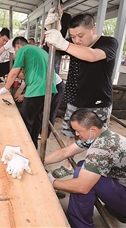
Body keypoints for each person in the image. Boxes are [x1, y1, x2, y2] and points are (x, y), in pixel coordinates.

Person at [45, 109, 126, 227]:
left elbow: (82, 187)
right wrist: (42, 161)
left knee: (81, 175)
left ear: (93, 130)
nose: (76, 134)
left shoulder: (103, 147)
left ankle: (81, 225)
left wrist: (52, 182)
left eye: (78, 131)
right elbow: (66, 152)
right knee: (82, 164)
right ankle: (116, 209)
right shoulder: (101, 135)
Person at [45, 13, 118, 179]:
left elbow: (92, 56)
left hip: (96, 101)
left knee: (94, 139)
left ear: (93, 29)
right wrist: (49, 31)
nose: (76, 40)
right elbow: (51, 48)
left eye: (80, 36)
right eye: (72, 36)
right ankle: (68, 165)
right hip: (75, 98)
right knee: (74, 134)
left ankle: (93, 170)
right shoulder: (74, 45)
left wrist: (64, 43)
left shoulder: (108, 42)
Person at [0, 36, 57, 147]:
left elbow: (14, 72)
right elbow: (29, 73)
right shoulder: (39, 51)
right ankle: (33, 146)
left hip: (36, 90)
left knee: (25, 122)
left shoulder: (22, 50)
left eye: (14, 51)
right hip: (49, 89)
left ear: (17, 46)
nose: (15, 53)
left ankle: (25, 148)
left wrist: (6, 87)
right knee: (37, 120)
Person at [41, 0, 72, 74]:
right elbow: (45, 31)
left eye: (57, 6)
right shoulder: (51, 16)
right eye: (53, 6)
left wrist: (70, 43)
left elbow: (70, 30)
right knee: (45, 63)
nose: (54, 8)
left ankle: (54, 82)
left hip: (58, 44)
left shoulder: (67, 17)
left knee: (56, 65)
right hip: (48, 44)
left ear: (61, 5)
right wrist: (41, 44)